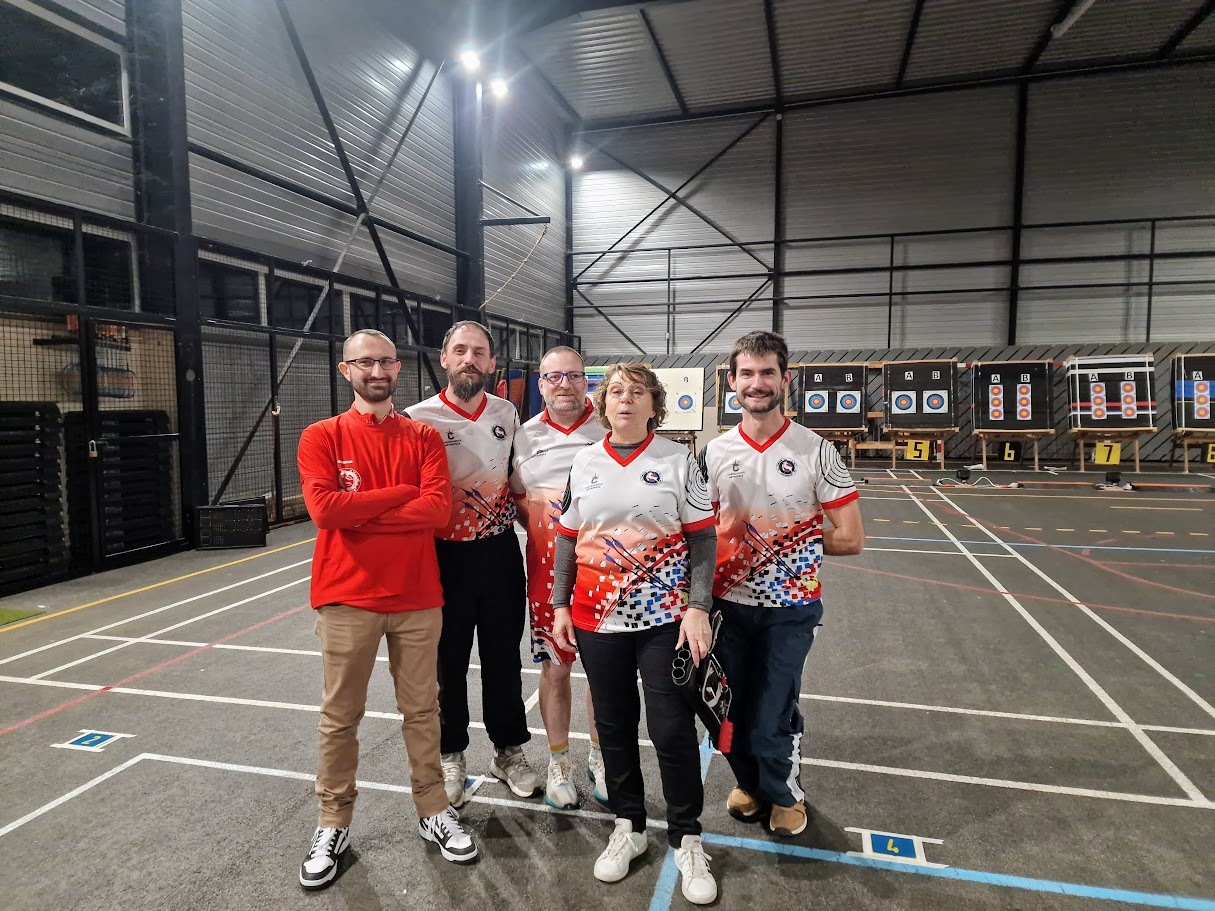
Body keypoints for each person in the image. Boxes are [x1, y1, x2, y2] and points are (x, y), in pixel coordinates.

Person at [296, 328, 478, 890]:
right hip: (346, 597)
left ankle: (433, 810)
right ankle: (332, 823)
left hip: (418, 597)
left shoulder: (422, 437)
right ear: (345, 370)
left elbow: (437, 511)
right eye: (365, 363)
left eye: (386, 363)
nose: (377, 372)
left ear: (399, 369)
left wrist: (360, 509)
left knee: (423, 712)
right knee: (340, 717)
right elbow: (326, 512)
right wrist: (402, 493)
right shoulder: (320, 436)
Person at [550, 363, 720, 905]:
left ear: (654, 405)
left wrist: (697, 607)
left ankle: (687, 836)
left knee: (671, 728)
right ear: (604, 404)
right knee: (614, 724)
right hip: (596, 618)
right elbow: (567, 537)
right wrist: (559, 604)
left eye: (637, 392)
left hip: (665, 618)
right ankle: (630, 825)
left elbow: (703, 539)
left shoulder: (678, 460)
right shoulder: (585, 460)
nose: (625, 399)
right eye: (616, 391)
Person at [701, 330, 865, 838]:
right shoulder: (713, 452)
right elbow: (700, 533)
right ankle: (750, 784)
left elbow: (851, 538)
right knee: (726, 708)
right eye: (747, 373)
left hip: (790, 608)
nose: (757, 383)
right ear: (732, 382)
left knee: (772, 710)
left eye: (767, 372)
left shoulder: (817, 451)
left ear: (785, 379)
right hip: (726, 607)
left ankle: (784, 792)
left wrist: (788, 542)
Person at [406, 320, 539, 806]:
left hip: (499, 552)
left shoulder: (507, 412)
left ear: (491, 363)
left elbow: (518, 481)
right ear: (444, 359)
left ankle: (508, 751)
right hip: (442, 556)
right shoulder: (417, 418)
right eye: (460, 351)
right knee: (448, 661)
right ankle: (450, 754)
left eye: (479, 352)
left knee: (503, 658)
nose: (470, 359)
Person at [510, 346, 607, 810]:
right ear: (541, 383)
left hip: (608, 578)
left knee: (605, 674)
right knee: (556, 668)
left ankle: (601, 757)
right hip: (549, 578)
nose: (564, 384)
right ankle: (559, 762)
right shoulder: (522, 438)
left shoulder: (613, 428)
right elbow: (515, 501)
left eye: (573, 375)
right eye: (554, 377)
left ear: (586, 381)